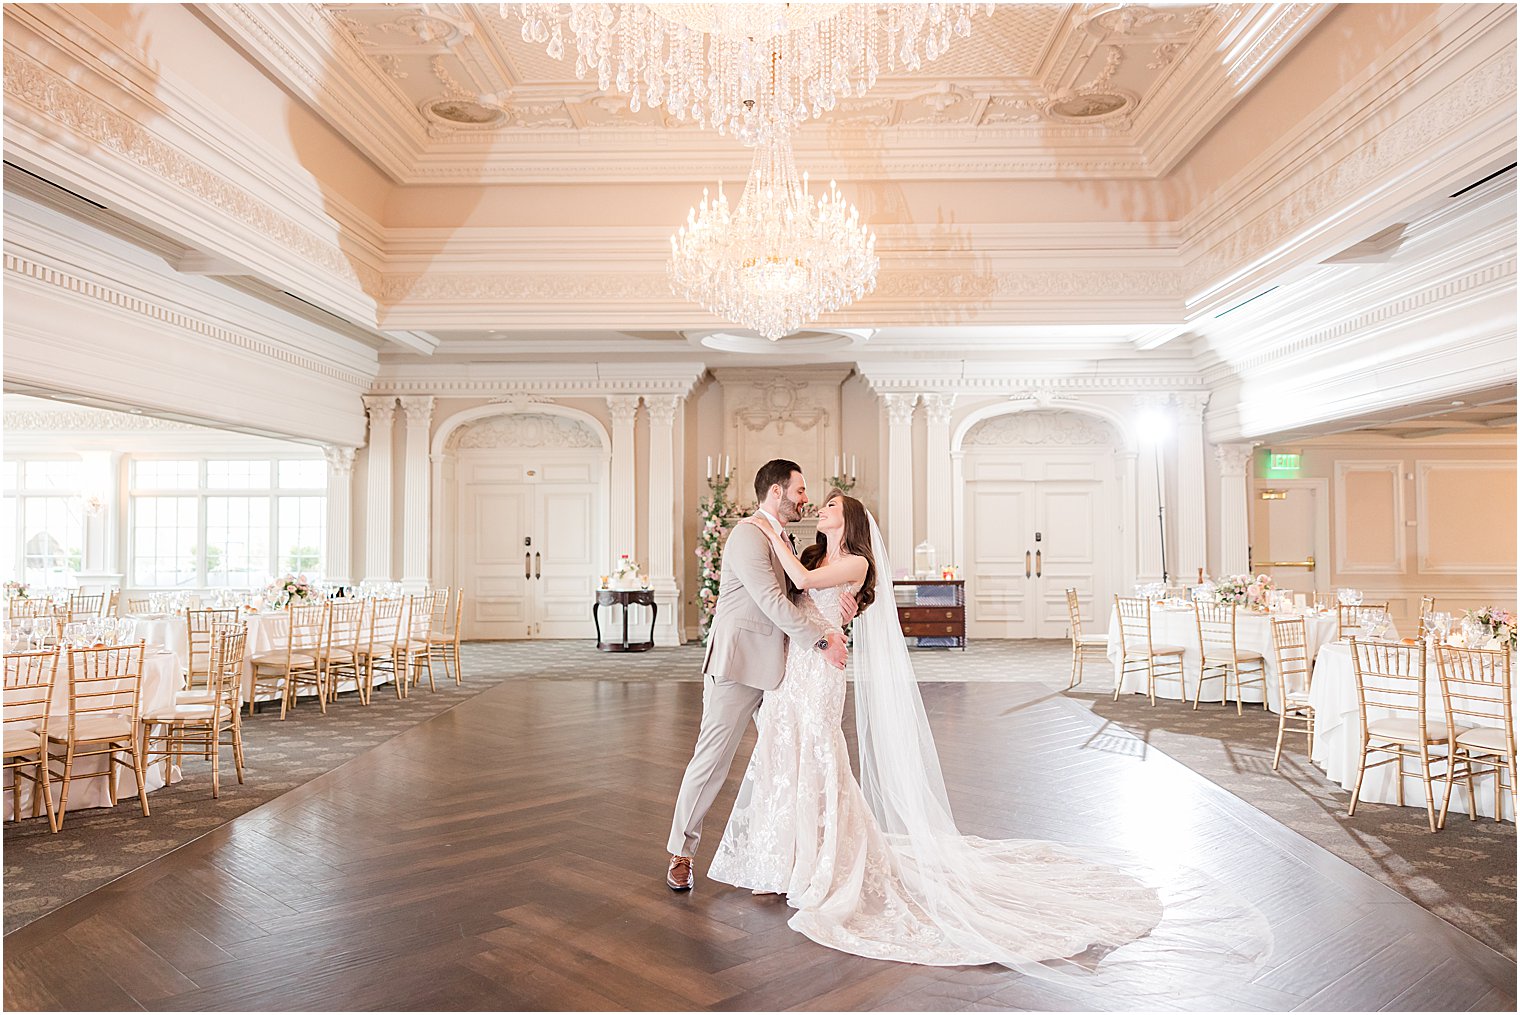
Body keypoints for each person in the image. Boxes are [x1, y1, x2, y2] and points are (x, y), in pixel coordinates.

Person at [706, 491, 1270, 985]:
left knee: (822, 755)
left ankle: (823, 860)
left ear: (847, 520)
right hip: (793, 670)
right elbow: (786, 595)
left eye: (829, 504)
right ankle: (780, 858)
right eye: (819, 500)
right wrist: (788, 557)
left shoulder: (850, 561)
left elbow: (803, 585)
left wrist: (764, 527)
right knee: (785, 757)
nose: (821, 507)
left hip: (822, 673)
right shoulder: (808, 552)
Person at [664, 459, 853, 891]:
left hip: (783, 672)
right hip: (738, 666)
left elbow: (801, 594)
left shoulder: (784, 537)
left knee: (782, 762)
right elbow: (770, 599)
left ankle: (783, 855)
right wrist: (822, 641)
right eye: (800, 491)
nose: (806, 499)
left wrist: (843, 608)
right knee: (711, 761)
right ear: (776, 492)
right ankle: (681, 851)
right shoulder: (748, 534)